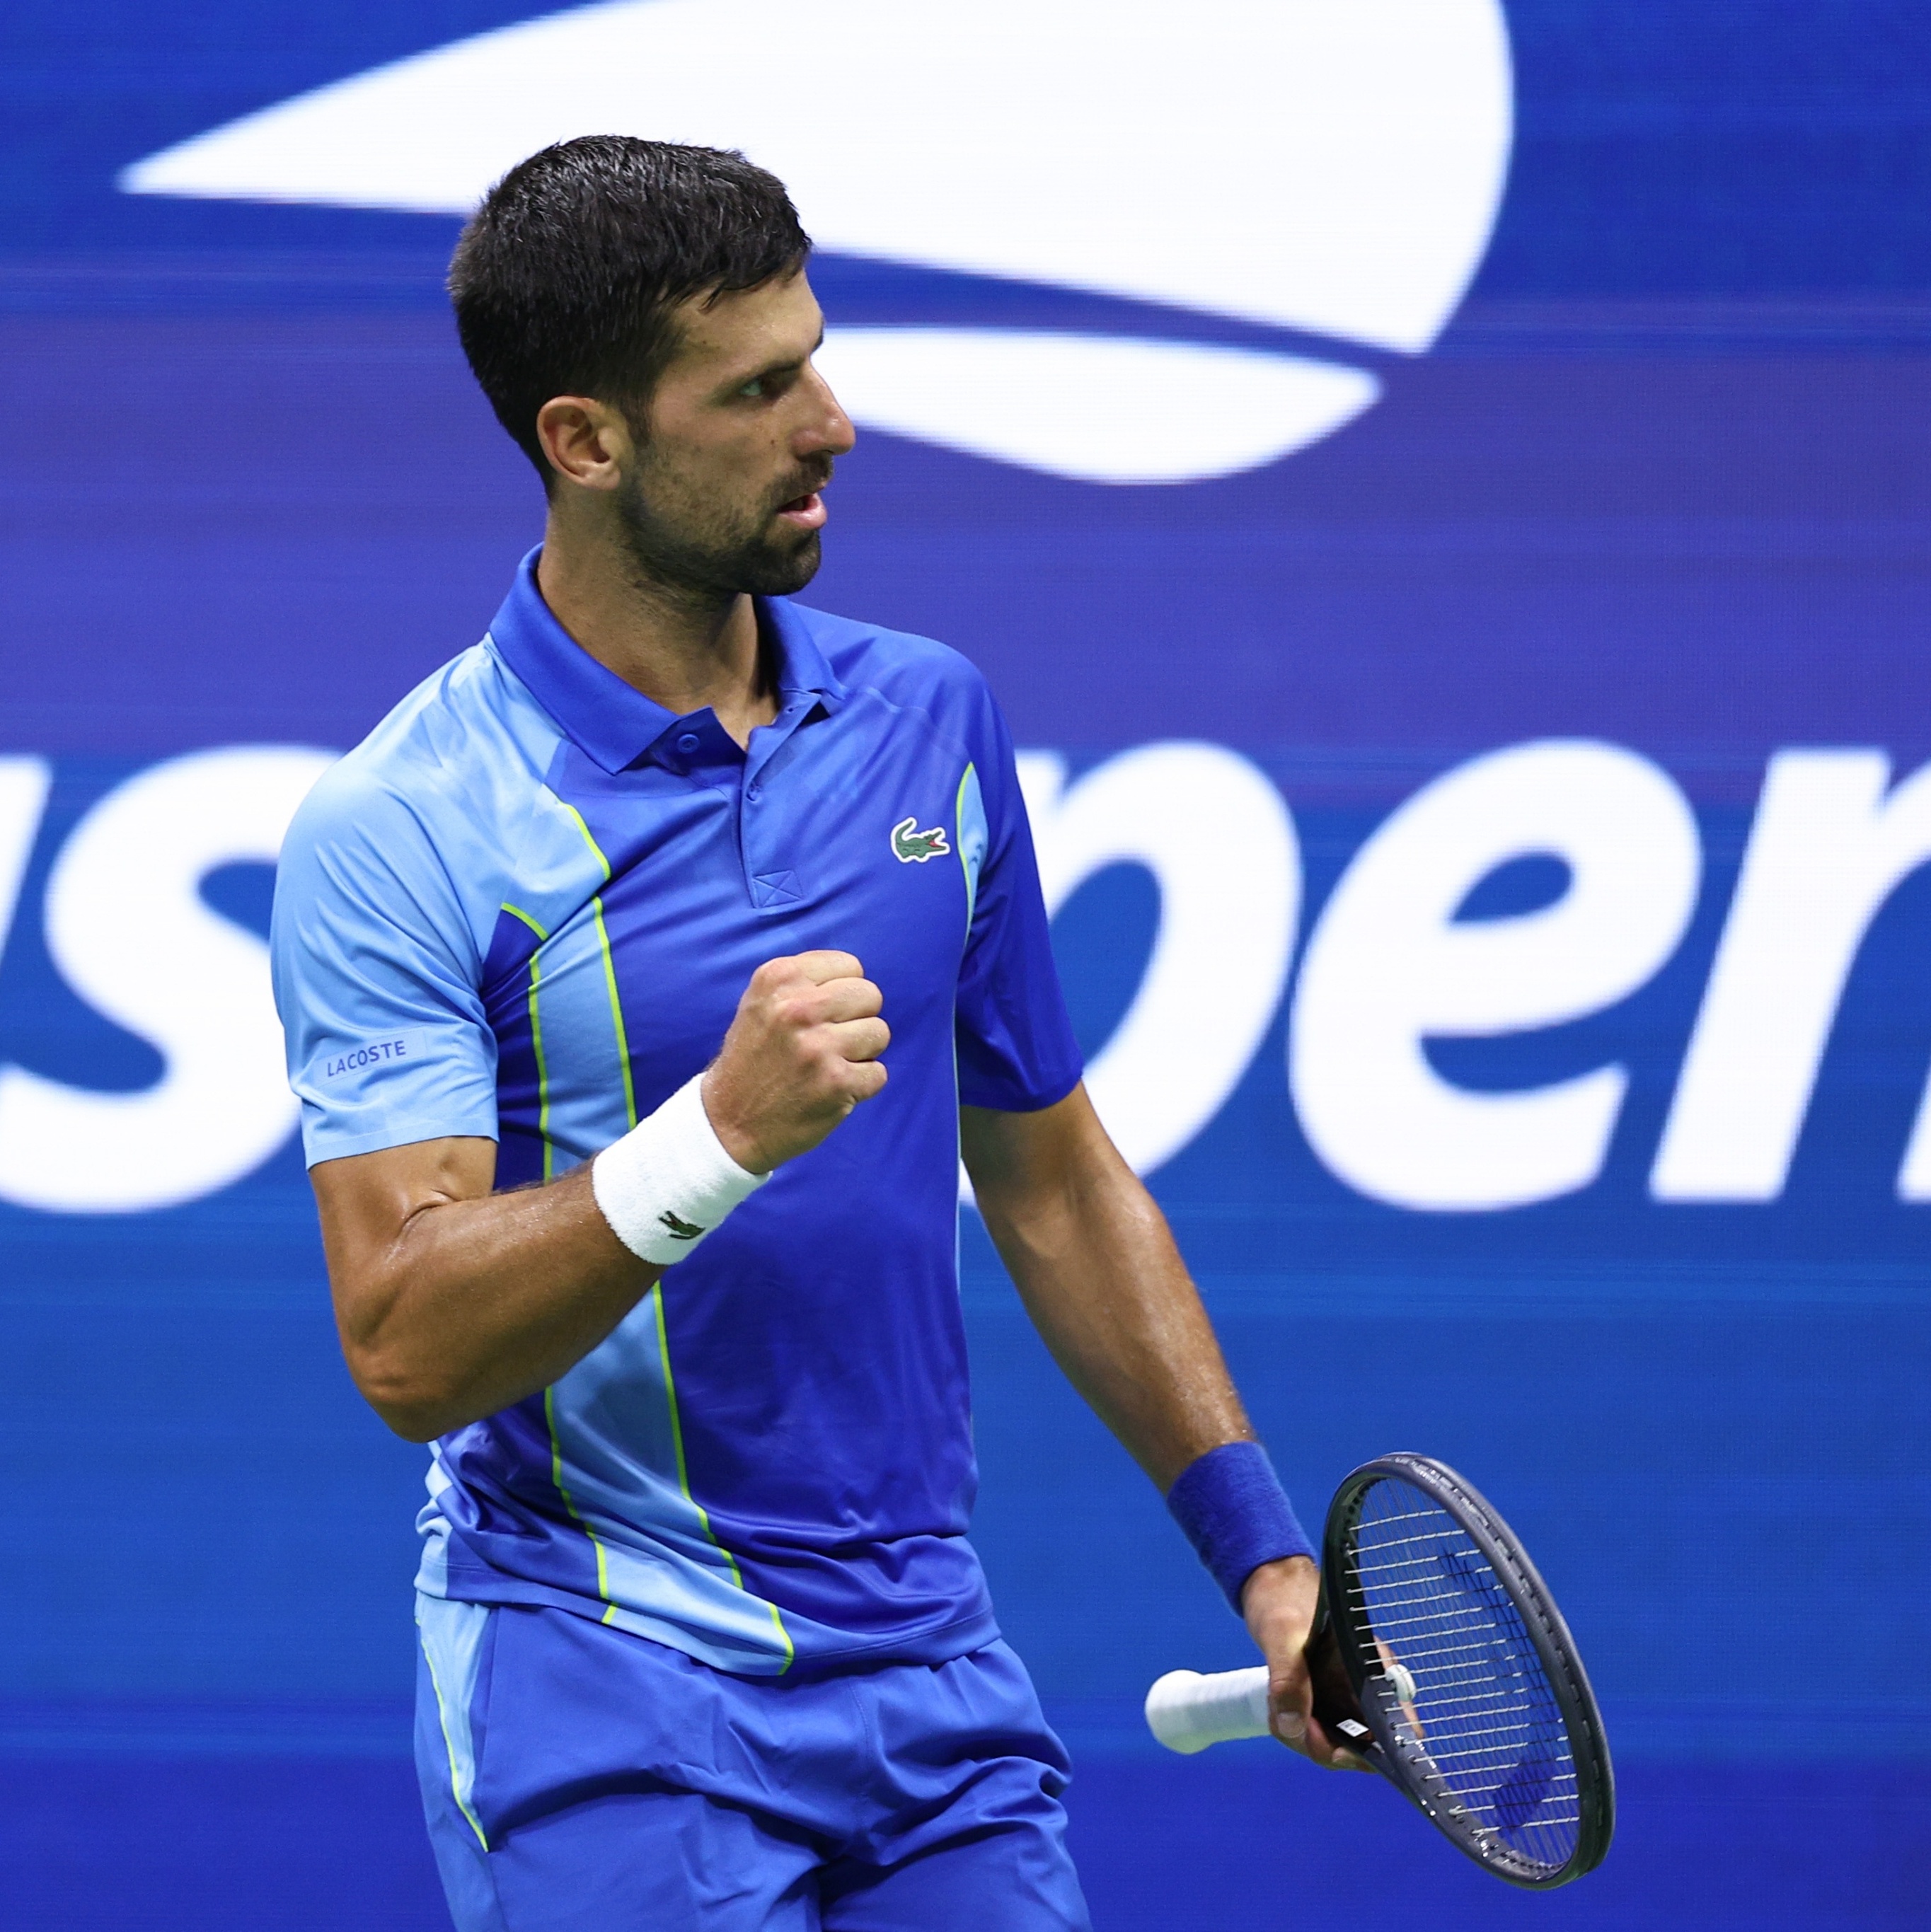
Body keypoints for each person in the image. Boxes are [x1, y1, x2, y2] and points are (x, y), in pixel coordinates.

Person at [270, 135, 1357, 1932]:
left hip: (930, 1677)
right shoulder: (407, 827)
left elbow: (1056, 1175)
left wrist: (1265, 1560)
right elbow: (403, 1345)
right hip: (603, 1684)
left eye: (817, 356)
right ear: (585, 439)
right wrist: (713, 1137)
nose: (831, 422)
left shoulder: (929, 714)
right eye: (759, 387)